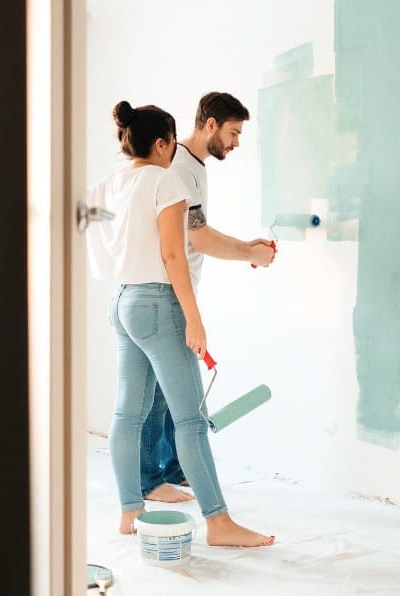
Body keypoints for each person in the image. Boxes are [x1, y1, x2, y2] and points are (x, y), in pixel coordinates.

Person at [86, 99, 274, 547]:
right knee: (190, 419)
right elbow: (175, 256)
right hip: (157, 303)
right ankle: (220, 523)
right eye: (171, 144)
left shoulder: (112, 183)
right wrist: (195, 320)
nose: (174, 152)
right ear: (161, 143)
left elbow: (91, 227)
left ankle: (130, 510)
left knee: (126, 413)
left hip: (122, 301)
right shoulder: (166, 180)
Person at [139, 92, 276, 503]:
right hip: (165, 295)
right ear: (210, 124)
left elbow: (197, 231)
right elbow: (198, 237)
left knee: (166, 391)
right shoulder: (180, 166)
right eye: (233, 133)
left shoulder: (191, 167)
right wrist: (250, 254)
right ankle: (150, 479)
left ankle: (173, 468)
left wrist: (246, 245)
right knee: (158, 393)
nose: (236, 143)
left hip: (174, 294)